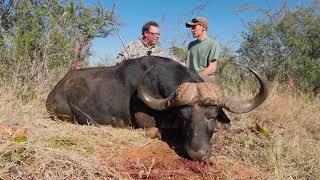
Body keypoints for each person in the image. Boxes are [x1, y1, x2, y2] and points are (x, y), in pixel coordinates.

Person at [185, 17, 220, 82]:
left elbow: (212, 68)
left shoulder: (213, 44)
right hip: (191, 77)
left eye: (194, 27)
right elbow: (188, 65)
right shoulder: (191, 45)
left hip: (205, 77)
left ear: (203, 27)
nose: (191, 30)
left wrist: (196, 77)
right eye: (191, 27)